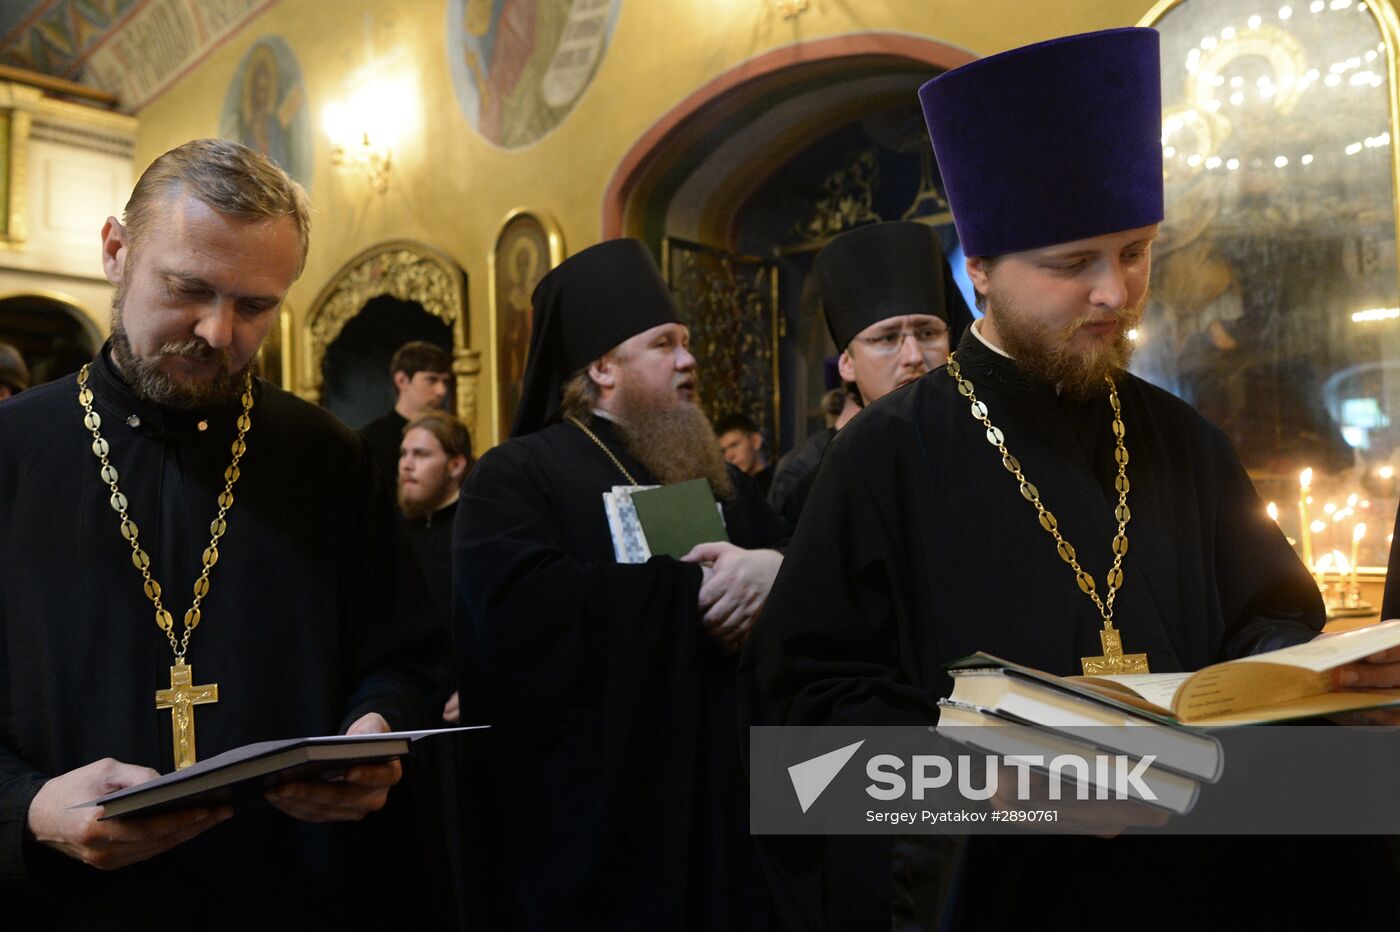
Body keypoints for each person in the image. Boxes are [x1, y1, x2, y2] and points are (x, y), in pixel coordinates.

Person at [740, 28, 1400, 929]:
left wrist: (1316, 696)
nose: (1115, 293)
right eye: (1071, 264)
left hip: (1201, 885)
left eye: (1135, 252)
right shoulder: (881, 463)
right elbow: (805, 747)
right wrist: (1005, 784)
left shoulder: (1184, 440)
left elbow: (1274, 622)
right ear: (980, 273)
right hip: (1005, 898)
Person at [0, 138, 445, 926]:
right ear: (115, 250)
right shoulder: (13, 451)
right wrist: (26, 807)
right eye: (190, 288)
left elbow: (399, 652)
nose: (216, 330)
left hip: (289, 893)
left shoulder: (327, 456)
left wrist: (377, 729)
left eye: (255, 306)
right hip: (61, 898)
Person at [453, 237, 788, 930]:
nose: (690, 360)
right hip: (607, 828)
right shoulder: (517, 476)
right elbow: (526, 619)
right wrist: (694, 596)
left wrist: (775, 575)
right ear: (603, 368)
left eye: (688, 342)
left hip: (741, 815)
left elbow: (802, 577)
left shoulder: (722, 480)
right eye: (666, 343)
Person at [768, 221, 972, 525]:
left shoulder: (985, 447)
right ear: (846, 364)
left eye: (928, 333)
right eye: (888, 338)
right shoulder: (808, 474)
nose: (913, 356)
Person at [359, 340, 453, 482]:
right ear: (402, 380)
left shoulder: (450, 436)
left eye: (444, 382)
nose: (441, 391)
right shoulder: (370, 440)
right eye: (432, 380)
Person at [716, 412, 773, 495]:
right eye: (723, 451)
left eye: (734, 445)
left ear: (755, 441)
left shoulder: (781, 484)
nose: (728, 456)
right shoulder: (731, 492)